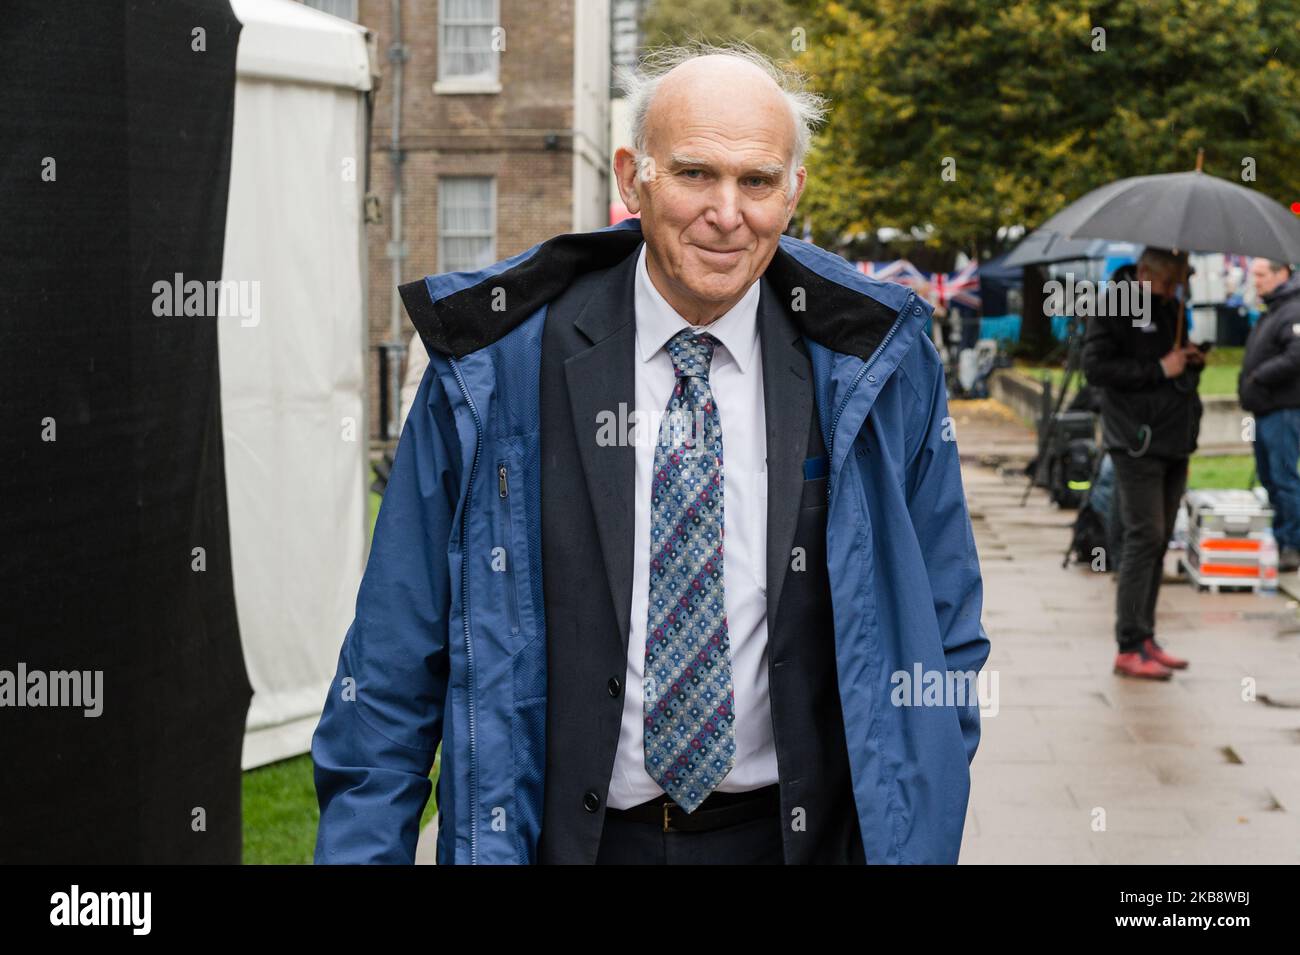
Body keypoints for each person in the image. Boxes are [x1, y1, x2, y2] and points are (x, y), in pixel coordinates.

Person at [311, 43, 989, 865]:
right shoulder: (497, 366)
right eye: (696, 174)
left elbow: (945, 630)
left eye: (758, 181)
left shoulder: (873, 364)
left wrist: (918, 824)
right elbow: (389, 669)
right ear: (633, 178)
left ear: (793, 192)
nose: (728, 212)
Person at [1082, 248, 1203, 680]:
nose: (1174, 292)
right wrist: (1159, 367)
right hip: (1136, 440)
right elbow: (1095, 369)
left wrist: (1188, 359)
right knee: (1144, 536)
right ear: (1146, 274)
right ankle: (1128, 643)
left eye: (1178, 285)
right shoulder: (1115, 305)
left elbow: (1171, 367)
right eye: (1169, 284)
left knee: (1161, 538)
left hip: (1174, 437)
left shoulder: (1171, 305)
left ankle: (1146, 634)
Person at [1239, 259, 1300, 572]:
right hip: (1264, 411)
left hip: (1284, 410)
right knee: (1270, 478)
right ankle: (1281, 537)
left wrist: (1259, 376)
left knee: (1284, 477)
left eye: (1261, 275)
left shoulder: (1292, 311)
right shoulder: (1273, 311)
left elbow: (1296, 356)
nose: (1256, 281)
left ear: (1282, 274)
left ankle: (1291, 543)